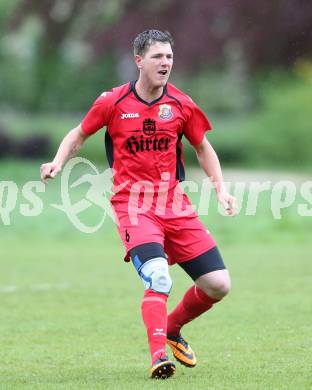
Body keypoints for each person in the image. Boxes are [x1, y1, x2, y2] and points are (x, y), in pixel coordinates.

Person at [40, 29, 237, 380]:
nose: (166, 63)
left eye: (170, 57)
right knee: (159, 277)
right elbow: (78, 134)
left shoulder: (181, 104)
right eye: (158, 57)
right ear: (139, 61)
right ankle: (158, 356)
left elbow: (203, 147)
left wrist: (220, 190)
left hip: (175, 205)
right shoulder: (113, 102)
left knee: (219, 285)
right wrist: (58, 161)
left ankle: (173, 328)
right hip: (133, 206)